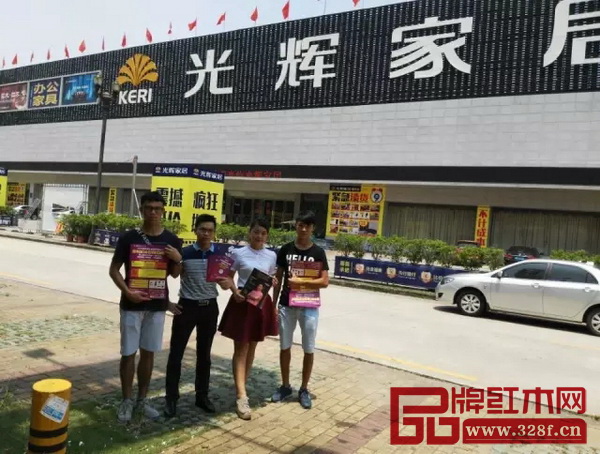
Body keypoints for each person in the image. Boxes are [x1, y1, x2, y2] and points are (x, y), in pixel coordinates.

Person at [109, 191, 183, 423]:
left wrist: (178, 259)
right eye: (149, 208)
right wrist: (127, 292)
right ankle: (126, 400)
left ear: (163, 211)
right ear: (141, 210)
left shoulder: (172, 240)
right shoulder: (129, 238)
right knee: (128, 353)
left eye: (157, 208)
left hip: (157, 307)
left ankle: (142, 399)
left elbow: (174, 274)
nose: (153, 212)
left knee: (149, 353)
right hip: (131, 305)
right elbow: (114, 270)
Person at [164, 214, 228, 418]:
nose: (206, 233)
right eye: (202, 229)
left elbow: (224, 284)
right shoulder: (185, 252)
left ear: (214, 233)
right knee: (176, 354)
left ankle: (202, 396)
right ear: (195, 230)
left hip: (209, 307)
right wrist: (179, 260)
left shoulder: (219, 255)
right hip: (187, 307)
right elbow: (175, 274)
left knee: (204, 355)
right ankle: (171, 398)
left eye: (210, 230)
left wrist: (226, 282)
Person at [218, 217, 278, 420]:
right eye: (256, 232)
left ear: (267, 235)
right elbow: (228, 276)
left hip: (261, 304)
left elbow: (272, 277)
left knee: (252, 347)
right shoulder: (239, 253)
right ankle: (241, 396)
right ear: (249, 233)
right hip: (242, 302)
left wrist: (273, 281)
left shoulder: (271, 255)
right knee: (241, 349)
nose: (259, 236)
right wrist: (234, 291)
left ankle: (242, 385)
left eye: (263, 233)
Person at [272, 211, 329, 409]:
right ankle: (285, 385)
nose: (303, 229)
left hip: (308, 305)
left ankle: (304, 389)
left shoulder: (318, 252)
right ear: (295, 225)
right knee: (284, 346)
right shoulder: (285, 249)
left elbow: (324, 281)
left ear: (313, 228)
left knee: (309, 348)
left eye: (307, 226)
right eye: (300, 225)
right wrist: (273, 304)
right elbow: (278, 278)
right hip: (286, 305)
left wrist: (301, 281)